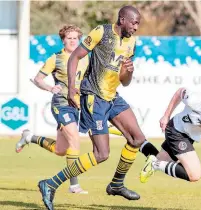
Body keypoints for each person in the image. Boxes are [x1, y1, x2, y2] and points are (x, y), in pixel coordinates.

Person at [37, 6, 158, 210]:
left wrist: (129, 72)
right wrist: (72, 89)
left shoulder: (132, 43)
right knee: (101, 154)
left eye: (138, 23)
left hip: (113, 96)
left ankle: (116, 184)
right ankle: (50, 183)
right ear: (122, 19)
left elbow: (125, 81)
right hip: (93, 96)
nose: (136, 28)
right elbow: (75, 56)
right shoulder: (101, 32)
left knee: (137, 139)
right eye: (134, 23)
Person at [15, 25, 89, 194]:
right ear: (63, 40)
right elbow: (38, 79)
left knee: (60, 150)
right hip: (61, 104)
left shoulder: (85, 57)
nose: (72, 41)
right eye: (69, 38)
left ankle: (29, 137)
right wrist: (49, 88)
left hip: (76, 106)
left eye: (75, 38)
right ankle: (74, 185)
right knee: (75, 140)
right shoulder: (55, 58)